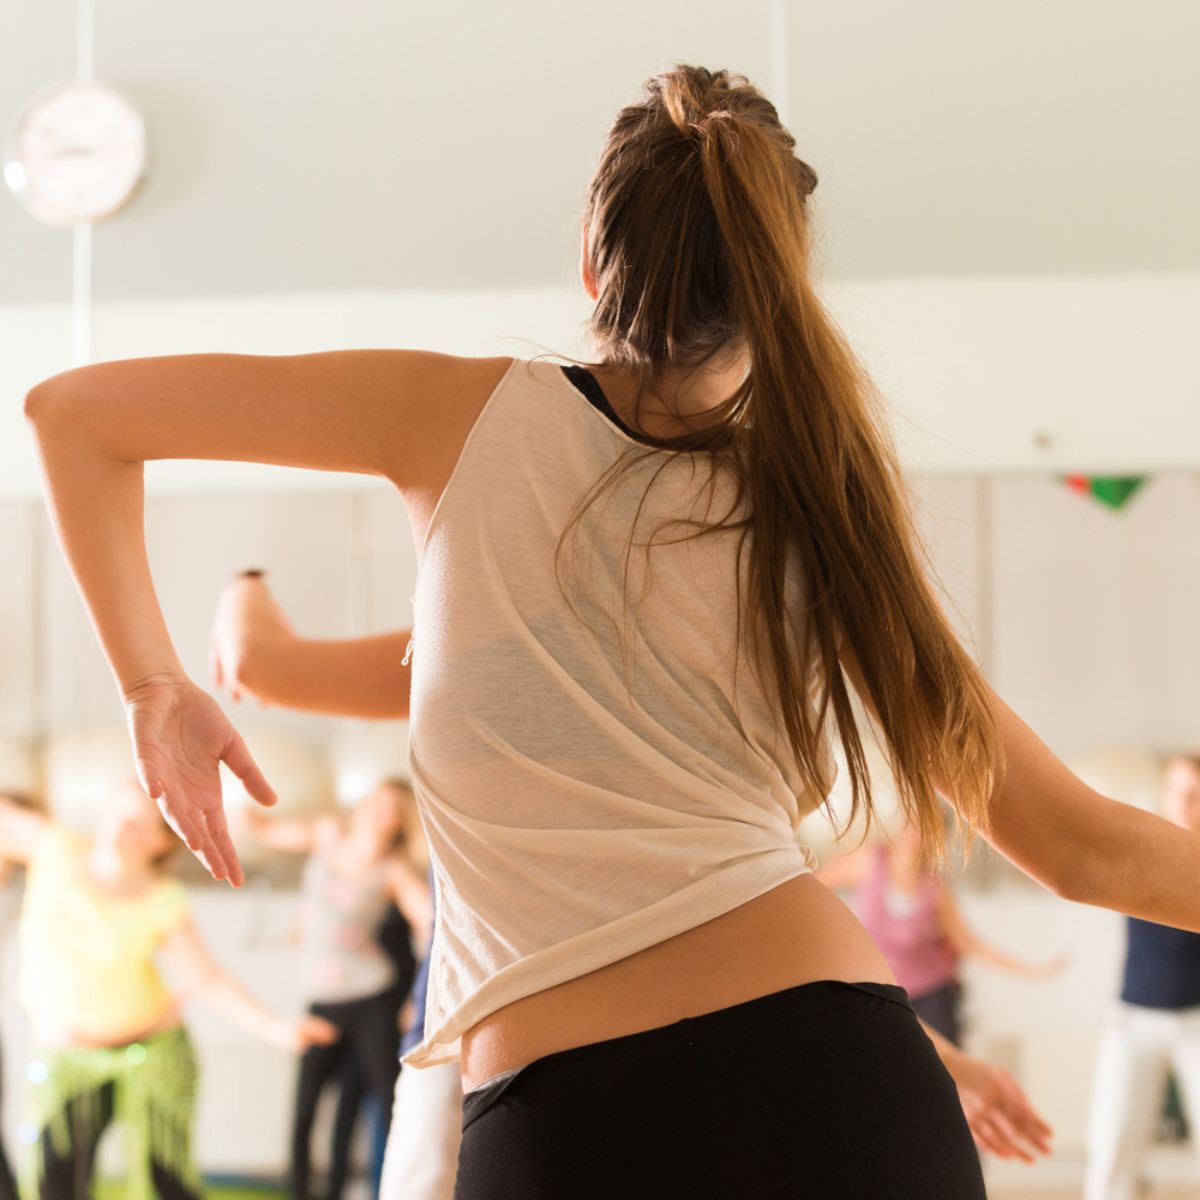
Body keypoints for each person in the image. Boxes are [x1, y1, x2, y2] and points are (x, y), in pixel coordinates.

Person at [24, 62, 1200, 1196]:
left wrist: (155, 686)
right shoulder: (821, 521)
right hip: (844, 1083)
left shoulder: (457, 417)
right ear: (784, 293)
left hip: (572, 1119)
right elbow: (1088, 847)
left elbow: (77, 415)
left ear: (592, 256)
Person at [0, 785, 336, 1200]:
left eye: (139, 823)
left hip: (154, 1052)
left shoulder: (162, 898)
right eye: (120, 812)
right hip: (65, 1059)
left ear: (161, 841)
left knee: (166, 1182)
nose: (123, 826)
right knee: (55, 1181)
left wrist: (275, 1027)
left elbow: (207, 979)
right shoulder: (55, 849)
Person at [240, 779, 431, 1200]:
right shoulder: (329, 834)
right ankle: (301, 1192)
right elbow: (272, 831)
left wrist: (419, 991)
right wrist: (249, 820)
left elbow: (429, 919)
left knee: (392, 1101)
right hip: (323, 1000)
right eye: (376, 803)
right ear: (361, 807)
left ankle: (401, 1189)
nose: (381, 812)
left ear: (399, 821)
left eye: (392, 809)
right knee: (305, 1108)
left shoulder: (393, 868)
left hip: (370, 999)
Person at [819, 817, 1066, 1044]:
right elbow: (813, 886)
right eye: (910, 824)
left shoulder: (934, 890)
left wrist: (1033, 971)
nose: (913, 834)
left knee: (946, 1077)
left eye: (923, 828)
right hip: (878, 996)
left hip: (931, 996)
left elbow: (969, 944)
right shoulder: (869, 862)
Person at [1085, 755, 1200, 1200]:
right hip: (1134, 1018)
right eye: (1180, 791)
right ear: (1164, 796)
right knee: (1112, 1145)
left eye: (1196, 794)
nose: (1187, 802)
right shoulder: (1139, 850)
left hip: (1196, 1017)